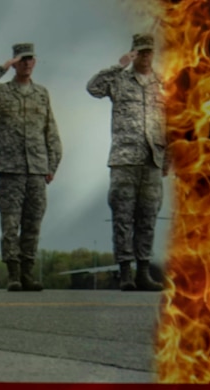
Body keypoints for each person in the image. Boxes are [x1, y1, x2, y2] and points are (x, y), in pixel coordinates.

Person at [0, 42, 62, 294]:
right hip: (10, 168)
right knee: (10, 224)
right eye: (21, 59)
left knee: (33, 223)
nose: (26, 63)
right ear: (14, 62)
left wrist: (52, 163)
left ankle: (28, 272)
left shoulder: (42, 93)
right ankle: (13, 274)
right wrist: (1, 69)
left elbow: (50, 130)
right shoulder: (1, 92)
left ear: (35, 61)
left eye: (30, 59)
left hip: (36, 168)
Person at [88, 33, 168, 292]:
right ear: (133, 53)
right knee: (123, 217)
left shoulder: (163, 83)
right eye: (140, 53)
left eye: (148, 52)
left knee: (148, 217)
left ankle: (143, 272)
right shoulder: (119, 80)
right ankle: (125, 273)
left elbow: (173, 122)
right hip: (124, 160)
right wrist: (118, 65)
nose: (145, 57)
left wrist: (169, 158)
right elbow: (93, 88)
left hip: (152, 160)